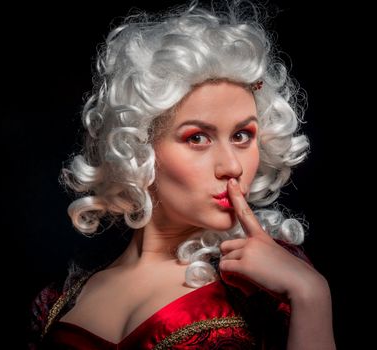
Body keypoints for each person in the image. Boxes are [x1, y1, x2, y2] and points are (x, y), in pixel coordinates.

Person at [27, 0, 335, 348]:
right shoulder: (60, 301)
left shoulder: (274, 284)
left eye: (241, 136)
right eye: (198, 138)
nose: (232, 166)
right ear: (139, 148)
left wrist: (311, 297)